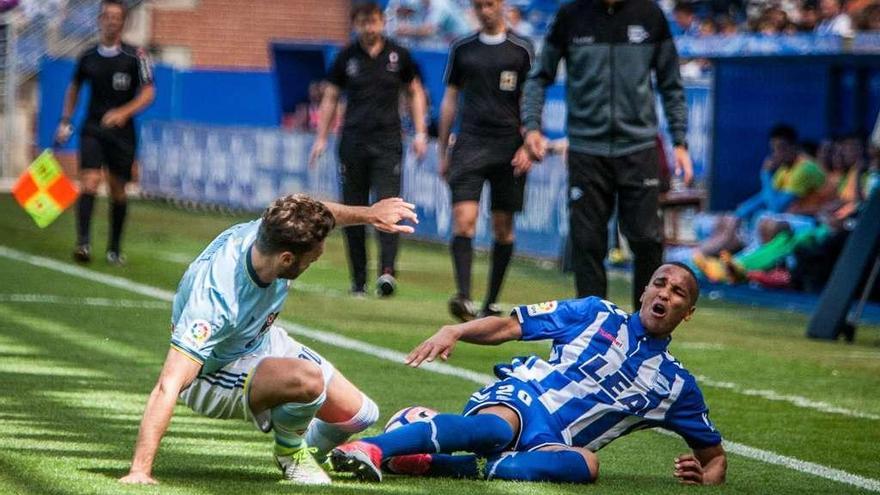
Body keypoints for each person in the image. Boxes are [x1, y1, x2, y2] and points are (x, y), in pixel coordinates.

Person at [331, 263, 727, 485]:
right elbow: (508, 327)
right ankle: (373, 448)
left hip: (552, 443)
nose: (665, 294)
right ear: (643, 291)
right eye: (660, 284)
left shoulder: (676, 386)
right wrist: (456, 330)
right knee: (497, 431)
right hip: (524, 398)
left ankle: (428, 459)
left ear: (687, 313)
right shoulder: (594, 313)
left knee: (586, 465)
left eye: (678, 293)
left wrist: (707, 477)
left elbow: (715, 459)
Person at [118, 194, 419, 486]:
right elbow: (168, 384)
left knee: (360, 415)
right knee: (309, 381)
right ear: (287, 258)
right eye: (311, 260)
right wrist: (139, 470)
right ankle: (290, 453)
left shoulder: (272, 228)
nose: (315, 260)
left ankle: (309, 449)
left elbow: (314, 213)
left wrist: (370, 214)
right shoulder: (218, 297)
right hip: (212, 373)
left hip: (257, 338)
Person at [521, 0, 693, 311]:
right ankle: (592, 326)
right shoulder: (571, 15)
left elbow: (671, 84)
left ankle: (644, 331)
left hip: (638, 148)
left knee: (646, 240)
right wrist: (531, 127)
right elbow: (538, 77)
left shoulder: (650, 15)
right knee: (586, 244)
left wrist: (680, 142)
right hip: (586, 150)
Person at [309, 2, 428, 298]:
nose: (369, 27)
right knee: (355, 210)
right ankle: (358, 280)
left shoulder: (399, 55)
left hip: (388, 143)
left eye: (373, 21)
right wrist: (321, 137)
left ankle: (387, 273)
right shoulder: (345, 57)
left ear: (382, 22)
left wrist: (421, 132)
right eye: (363, 22)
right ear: (355, 24)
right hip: (353, 143)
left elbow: (415, 92)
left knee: (389, 206)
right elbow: (331, 97)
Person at [438, 0, 533, 321]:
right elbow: (451, 99)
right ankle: (463, 296)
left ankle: (491, 300)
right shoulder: (463, 49)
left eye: (489, 4)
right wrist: (443, 149)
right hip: (470, 144)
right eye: (479, 5)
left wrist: (528, 144)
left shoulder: (521, 49)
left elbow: (531, 100)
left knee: (502, 227)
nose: (484, 10)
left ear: (501, 5)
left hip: (509, 146)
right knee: (463, 219)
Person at [54, 0, 155, 266]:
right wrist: (65, 120)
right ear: (100, 20)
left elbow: (148, 92)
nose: (111, 21)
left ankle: (113, 249)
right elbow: (74, 88)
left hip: (122, 134)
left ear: (123, 22)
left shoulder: (137, 56)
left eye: (116, 17)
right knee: (88, 181)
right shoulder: (87, 57)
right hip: (93, 128)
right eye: (107, 16)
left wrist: (124, 112)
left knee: (117, 190)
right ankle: (83, 243)